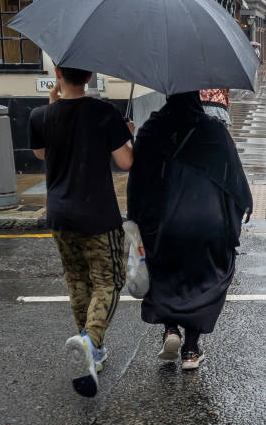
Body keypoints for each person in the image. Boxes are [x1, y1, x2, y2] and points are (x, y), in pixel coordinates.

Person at [127, 91, 253, 370]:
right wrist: (235, 218)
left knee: (165, 274)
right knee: (201, 279)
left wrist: (135, 218)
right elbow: (234, 180)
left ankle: (170, 329)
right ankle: (191, 350)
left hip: (163, 221)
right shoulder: (214, 130)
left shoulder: (151, 129)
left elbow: (138, 180)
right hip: (206, 220)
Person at [29, 66, 134, 398]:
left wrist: (50, 106)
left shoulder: (39, 115)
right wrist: (127, 133)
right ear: (88, 76)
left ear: (57, 74)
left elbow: (41, 153)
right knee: (108, 282)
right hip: (98, 216)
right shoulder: (104, 112)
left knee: (77, 281)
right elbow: (126, 162)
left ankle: (93, 352)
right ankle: (90, 342)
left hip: (59, 215)